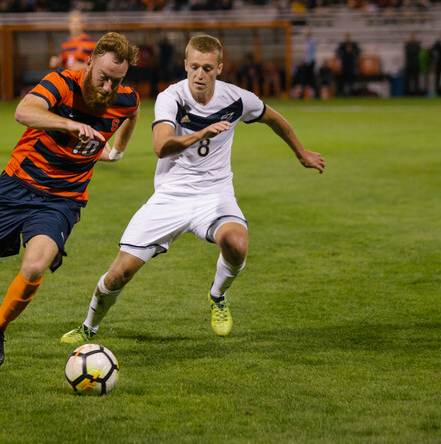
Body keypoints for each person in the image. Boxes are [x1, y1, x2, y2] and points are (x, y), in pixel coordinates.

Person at [60, 34, 325, 345]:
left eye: (208, 68)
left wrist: (300, 152)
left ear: (220, 68)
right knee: (120, 273)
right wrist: (200, 133)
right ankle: (88, 327)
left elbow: (272, 117)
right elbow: (161, 146)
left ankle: (218, 295)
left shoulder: (238, 99)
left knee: (237, 243)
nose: (201, 75)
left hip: (215, 194)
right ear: (185, 65)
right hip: (171, 196)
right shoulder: (171, 98)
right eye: (195, 67)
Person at [0, 32, 141, 369]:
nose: (108, 88)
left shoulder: (124, 97)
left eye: (116, 81)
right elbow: (24, 111)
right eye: (103, 78)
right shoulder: (61, 83)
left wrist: (117, 151)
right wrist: (69, 125)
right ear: (88, 64)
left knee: (36, 265)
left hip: (63, 199)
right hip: (17, 186)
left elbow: (133, 112)